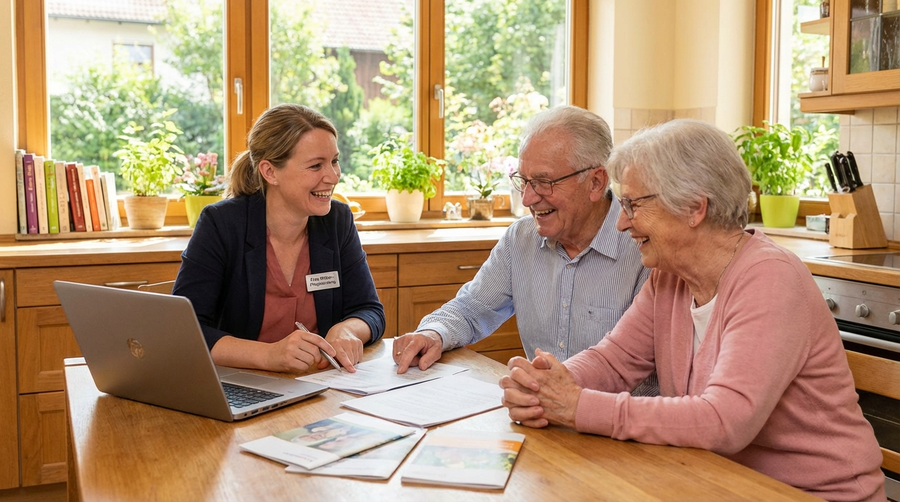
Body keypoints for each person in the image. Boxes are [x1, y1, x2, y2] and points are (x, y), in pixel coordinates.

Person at [499, 119, 885, 501]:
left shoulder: (770, 278)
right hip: (714, 481)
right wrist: (546, 384)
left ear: (693, 208)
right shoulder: (669, 277)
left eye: (632, 205)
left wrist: (578, 406)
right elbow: (615, 360)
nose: (620, 223)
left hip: (809, 494)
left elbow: (724, 421)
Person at [392, 106, 653, 396]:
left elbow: (631, 364)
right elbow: (470, 309)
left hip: (619, 427)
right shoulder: (521, 238)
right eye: (524, 181)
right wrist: (434, 333)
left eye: (544, 182)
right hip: (543, 416)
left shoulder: (645, 248)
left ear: (595, 182)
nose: (528, 198)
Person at [173, 104, 384, 374]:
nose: (332, 176)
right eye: (315, 165)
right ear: (270, 172)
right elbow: (187, 330)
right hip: (243, 384)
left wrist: (347, 330)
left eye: (334, 161)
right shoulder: (222, 224)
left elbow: (369, 310)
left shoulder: (337, 221)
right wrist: (269, 355)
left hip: (320, 385)